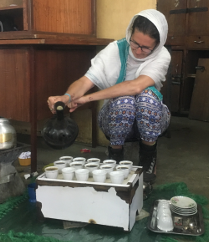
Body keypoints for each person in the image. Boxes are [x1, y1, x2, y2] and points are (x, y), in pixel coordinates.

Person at [47, 9, 171, 183]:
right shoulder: (114, 50)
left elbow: (135, 87)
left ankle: (148, 155)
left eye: (145, 48)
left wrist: (87, 98)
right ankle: (115, 153)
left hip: (151, 120)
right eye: (135, 43)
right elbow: (86, 80)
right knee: (124, 103)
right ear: (130, 34)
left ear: (157, 45)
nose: (137, 50)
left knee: (146, 98)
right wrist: (67, 96)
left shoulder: (162, 55)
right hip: (116, 120)